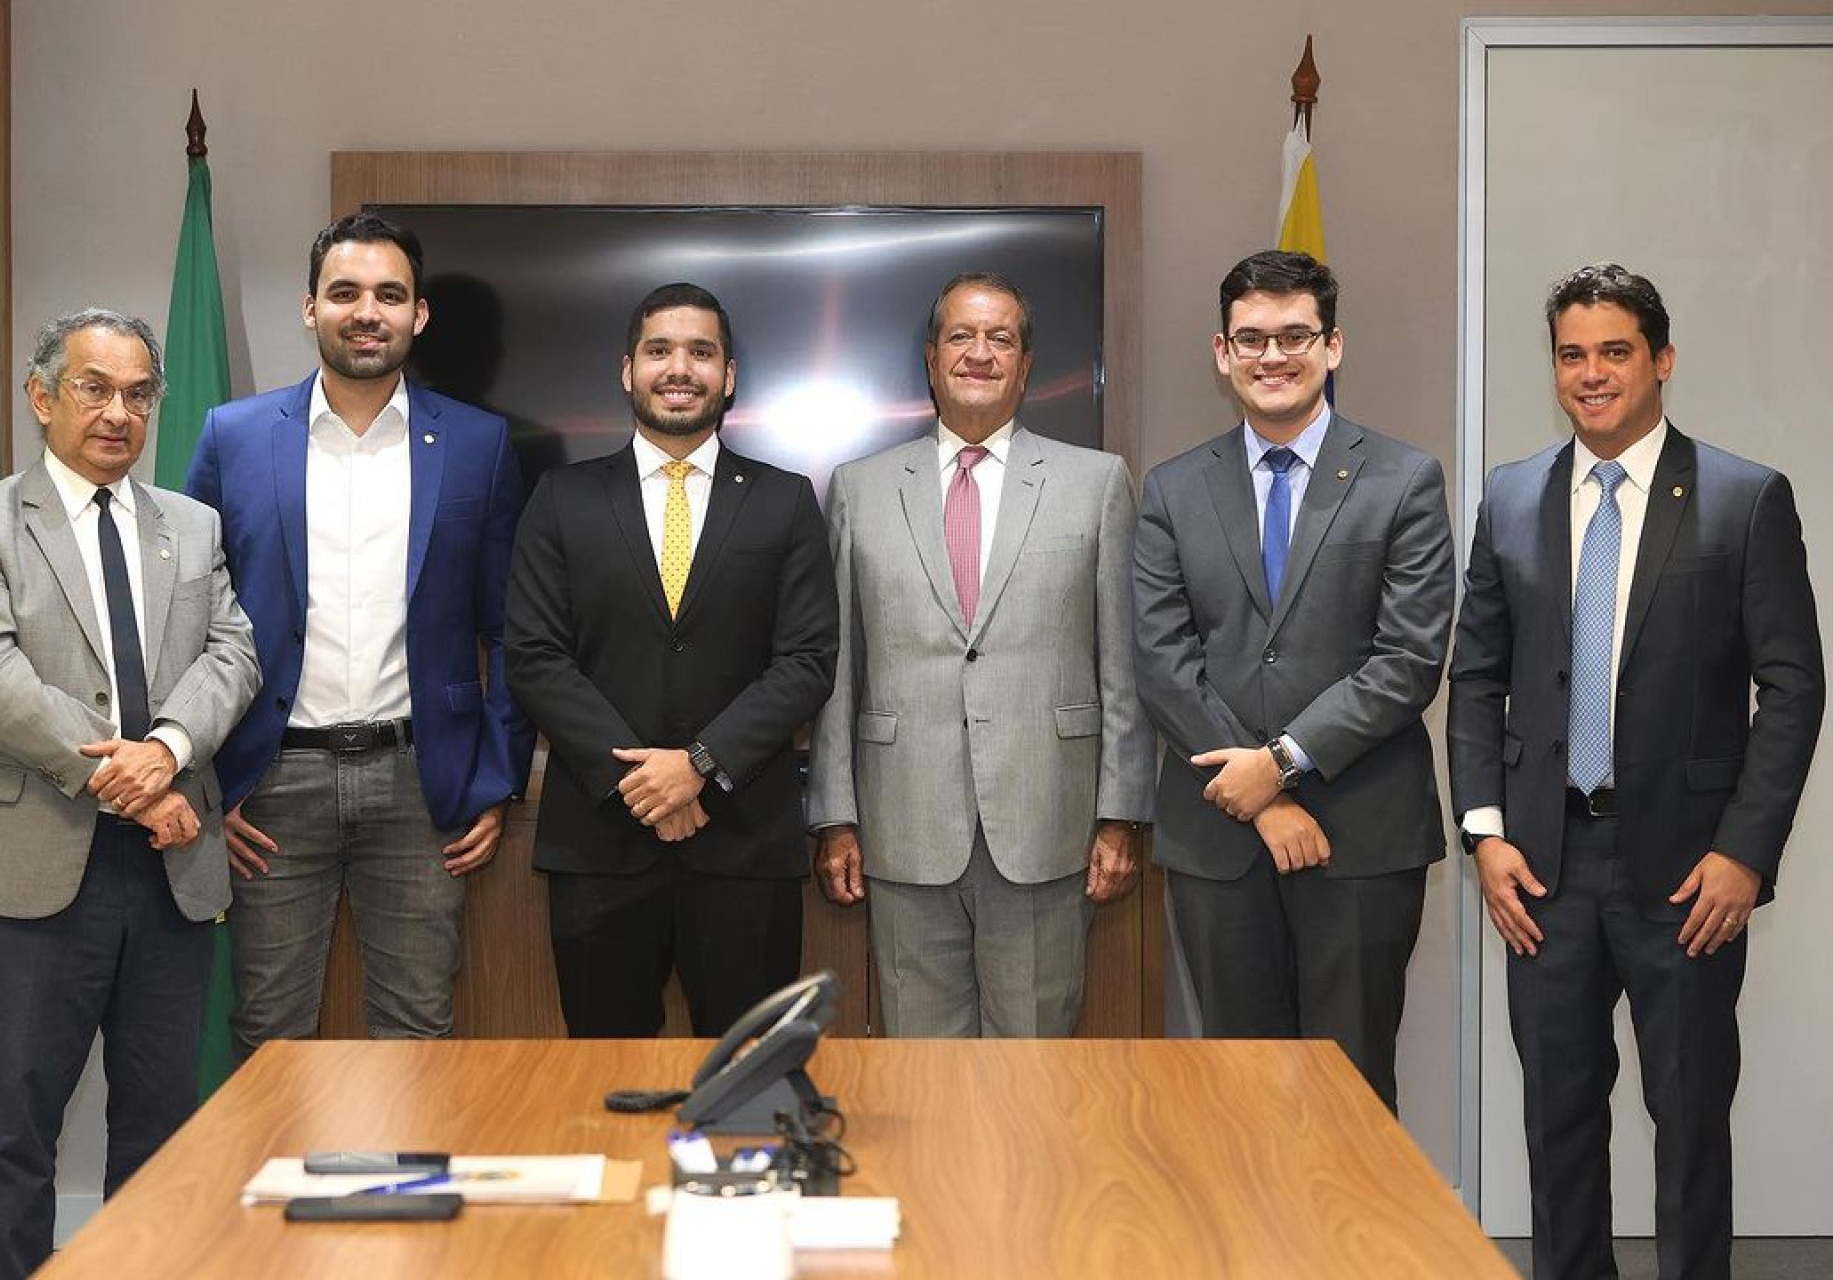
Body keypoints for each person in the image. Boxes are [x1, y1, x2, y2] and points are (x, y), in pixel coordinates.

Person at [1448, 262, 1824, 1279]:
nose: (1593, 372)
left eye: (1615, 351)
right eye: (1573, 353)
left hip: (1688, 874)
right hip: (1543, 871)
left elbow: (1793, 690)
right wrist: (1485, 835)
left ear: (1660, 361)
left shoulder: (1745, 498)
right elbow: (1476, 679)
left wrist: (1745, 854)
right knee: (1558, 1124)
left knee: (1691, 1123)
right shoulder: (1510, 493)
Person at [0, 310, 259, 1280]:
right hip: (34, 861)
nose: (120, 412)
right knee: (19, 1124)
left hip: (171, 867)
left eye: (138, 393)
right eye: (95, 388)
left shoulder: (191, 525)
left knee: (160, 1121)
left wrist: (167, 747)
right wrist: (127, 782)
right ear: (42, 397)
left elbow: (233, 651)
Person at [186, 213, 533, 1059]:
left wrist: (497, 777)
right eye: (345, 293)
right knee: (269, 1037)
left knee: (418, 1033)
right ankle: (267, 1199)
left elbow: (512, 628)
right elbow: (182, 617)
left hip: (425, 788)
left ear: (419, 315)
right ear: (311, 308)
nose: (365, 311)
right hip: (269, 789)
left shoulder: (479, 445)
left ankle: (405, 1197)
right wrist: (205, 789)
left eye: (389, 294)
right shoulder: (233, 436)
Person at [1129, 250, 1451, 1110]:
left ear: (1333, 346)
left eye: (1295, 336)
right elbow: (1161, 661)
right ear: (1221, 352)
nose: (1273, 357)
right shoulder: (1172, 489)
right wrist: (1262, 795)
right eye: (1252, 339)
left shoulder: (1403, 479)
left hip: (1362, 834)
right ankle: (1248, 1252)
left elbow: (1409, 658)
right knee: (1237, 1088)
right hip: (1219, 836)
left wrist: (1282, 762)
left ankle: (1347, 1254)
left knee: (1348, 1092)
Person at [807, 271, 1153, 1038]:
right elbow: (838, 670)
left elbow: (1123, 665)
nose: (979, 353)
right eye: (961, 336)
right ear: (931, 359)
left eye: (1001, 338)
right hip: (902, 828)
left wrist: (1121, 813)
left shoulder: (1095, 484)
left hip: (1048, 827)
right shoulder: (858, 490)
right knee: (922, 1076)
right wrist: (835, 815)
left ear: (1026, 366)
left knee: (1032, 1073)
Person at [504, 282, 837, 1036]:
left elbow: (808, 659)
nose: (678, 368)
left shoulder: (786, 501)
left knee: (750, 1085)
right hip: (600, 847)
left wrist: (699, 764)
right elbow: (534, 655)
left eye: (700, 352)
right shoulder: (561, 498)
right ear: (627, 370)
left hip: (745, 846)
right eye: (659, 350)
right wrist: (642, 781)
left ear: (730, 376)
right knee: (606, 1082)